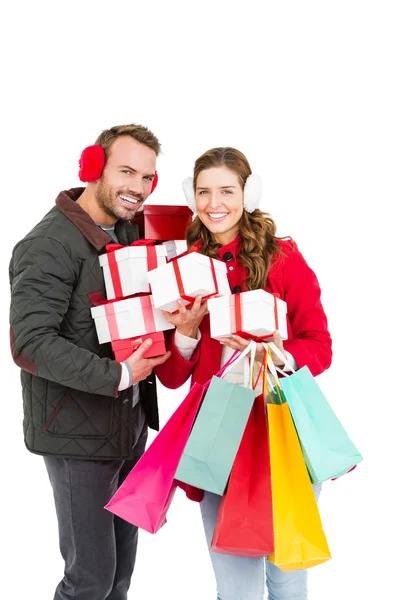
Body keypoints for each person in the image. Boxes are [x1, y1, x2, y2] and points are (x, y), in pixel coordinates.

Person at [156, 146, 332, 600]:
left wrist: (277, 352)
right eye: (203, 192)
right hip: (218, 436)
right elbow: (173, 378)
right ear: (191, 197)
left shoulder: (283, 258)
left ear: (248, 193)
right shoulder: (181, 268)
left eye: (226, 191)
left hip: (280, 431)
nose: (214, 203)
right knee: (236, 589)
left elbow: (320, 346)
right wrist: (188, 335)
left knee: (288, 576)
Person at [9, 124, 171, 600]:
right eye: (126, 172)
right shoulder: (48, 245)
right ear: (92, 168)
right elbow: (31, 342)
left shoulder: (127, 230)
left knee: (118, 576)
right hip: (77, 436)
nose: (138, 188)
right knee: (90, 581)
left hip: (127, 425)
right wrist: (120, 374)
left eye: (147, 177)